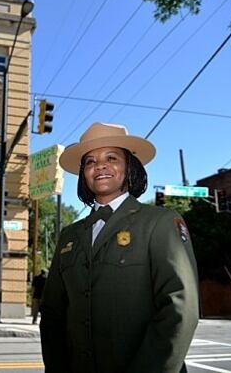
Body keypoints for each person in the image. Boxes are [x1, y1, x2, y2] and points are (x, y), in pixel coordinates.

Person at [40, 122, 199, 373]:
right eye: (90, 162)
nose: (99, 165)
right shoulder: (69, 236)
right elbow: (52, 314)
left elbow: (180, 307)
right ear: (84, 174)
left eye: (111, 157)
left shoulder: (161, 222)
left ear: (130, 167)